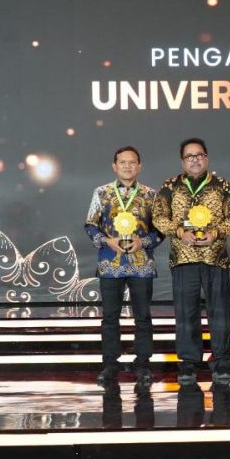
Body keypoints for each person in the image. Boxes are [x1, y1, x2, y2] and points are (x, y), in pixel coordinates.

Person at [152, 138, 230, 391]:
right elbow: (158, 217)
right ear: (182, 161)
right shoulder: (170, 186)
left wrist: (216, 233)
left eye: (199, 155)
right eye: (189, 156)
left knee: (220, 312)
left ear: (206, 158)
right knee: (186, 313)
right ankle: (189, 363)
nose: (195, 160)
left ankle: (222, 362)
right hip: (183, 259)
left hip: (216, 258)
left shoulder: (221, 185)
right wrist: (180, 232)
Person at [84, 146, 162, 394]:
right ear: (114, 166)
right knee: (110, 317)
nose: (127, 166)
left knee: (143, 317)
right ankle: (110, 364)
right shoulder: (102, 193)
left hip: (141, 264)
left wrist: (143, 242)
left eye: (132, 162)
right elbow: (90, 226)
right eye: (122, 162)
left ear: (139, 166)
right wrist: (106, 241)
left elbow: (160, 230)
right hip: (110, 264)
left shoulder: (150, 195)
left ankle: (143, 364)